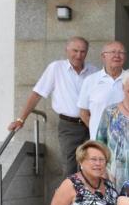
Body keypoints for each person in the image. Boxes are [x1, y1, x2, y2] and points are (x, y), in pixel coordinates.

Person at [8, 36, 97, 175]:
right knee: (70, 167)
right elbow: (37, 94)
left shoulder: (94, 71)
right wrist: (21, 119)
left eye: (82, 51)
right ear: (66, 50)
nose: (79, 55)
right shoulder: (56, 68)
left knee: (93, 166)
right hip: (69, 127)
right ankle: (70, 190)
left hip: (92, 123)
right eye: (75, 51)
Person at [78, 41, 129, 139]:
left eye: (121, 53)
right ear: (103, 56)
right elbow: (83, 113)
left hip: (128, 141)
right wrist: (98, 130)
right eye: (113, 52)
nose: (117, 56)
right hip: (99, 141)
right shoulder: (90, 80)